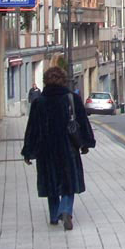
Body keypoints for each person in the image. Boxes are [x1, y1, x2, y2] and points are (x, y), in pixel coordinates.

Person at [21, 66, 95, 231]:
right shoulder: (72, 98)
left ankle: (54, 216)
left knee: (51, 183)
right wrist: (85, 144)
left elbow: (32, 128)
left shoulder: (39, 102)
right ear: (63, 80)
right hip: (68, 148)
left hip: (45, 150)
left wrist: (28, 151)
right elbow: (82, 122)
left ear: (45, 81)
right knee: (69, 183)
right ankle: (66, 210)